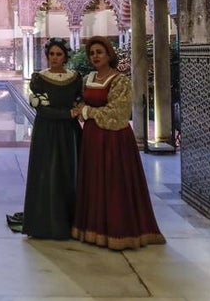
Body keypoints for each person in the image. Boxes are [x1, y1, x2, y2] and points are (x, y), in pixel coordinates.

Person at [70, 36, 165, 250]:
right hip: (93, 138)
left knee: (114, 183)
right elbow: (81, 101)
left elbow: (119, 114)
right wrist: (80, 107)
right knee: (95, 182)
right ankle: (94, 230)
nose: (95, 56)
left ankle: (118, 232)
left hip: (114, 140)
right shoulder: (89, 78)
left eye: (99, 52)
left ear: (108, 55)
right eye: (92, 53)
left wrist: (86, 111)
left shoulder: (119, 80)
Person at [6, 37, 81, 239]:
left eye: (58, 54)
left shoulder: (75, 78)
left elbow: (79, 101)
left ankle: (68, 221)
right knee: (47, 173)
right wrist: (69, 114)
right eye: (51, 54)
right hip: (47, 133)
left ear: (65, 56)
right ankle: (46, 222)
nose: (54, 58)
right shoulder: (39, 79)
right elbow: (42, 111)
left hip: (69, 133)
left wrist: (77, 112)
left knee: (67, 173)